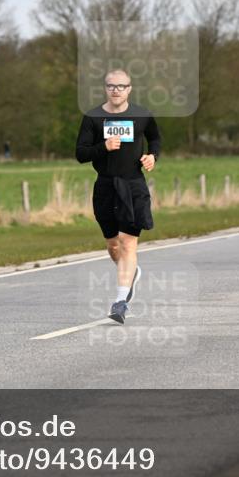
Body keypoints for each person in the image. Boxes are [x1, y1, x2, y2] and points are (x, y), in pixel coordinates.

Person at [75, 69, 160, 324]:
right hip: (105, 186)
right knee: (113, 245)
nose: (116, 90)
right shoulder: (93, 117)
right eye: (111, 86)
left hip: (133, 186)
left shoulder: (142, 115)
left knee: (128, 243)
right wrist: (104, 147)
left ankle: (120, 301)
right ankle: (130, 272)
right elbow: (81, 153)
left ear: (129, 89)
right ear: (105, 88)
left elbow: (155, 138)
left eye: (121, 86)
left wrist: (153, 156)